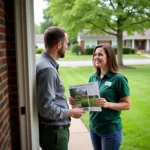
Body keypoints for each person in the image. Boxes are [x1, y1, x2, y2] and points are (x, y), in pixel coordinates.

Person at [69, 44, 130, 150]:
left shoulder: (119, 79)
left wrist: (108, 104)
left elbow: (127, 105)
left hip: (110, 130)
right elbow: (89, 102)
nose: (96, 57)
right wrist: (76, 101)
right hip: (94, 128)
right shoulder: (93, 77)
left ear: (109, 57)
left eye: (100, 54)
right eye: (95, 54)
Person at [36, 26, 84, 150]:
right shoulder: (48, 69)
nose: (67, 47)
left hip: (52, 133)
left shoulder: (42, 63)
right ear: (59, 45)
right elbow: (46, 108)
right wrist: (71, 112)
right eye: (66, 43)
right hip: (54, 134)